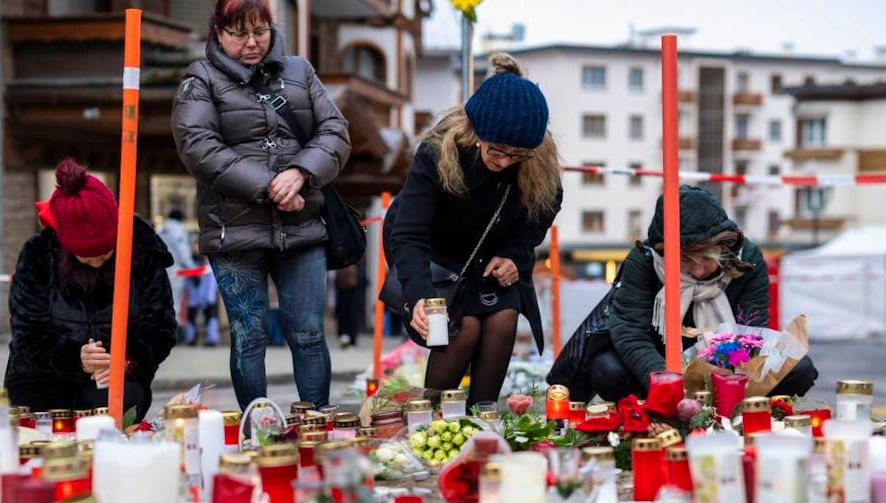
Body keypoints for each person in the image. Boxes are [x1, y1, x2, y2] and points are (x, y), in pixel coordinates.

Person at [171, 0, 350, 409]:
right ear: (218, 32)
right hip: (233, 231)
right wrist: (270, 184)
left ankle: (315, 425)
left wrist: (301, 172)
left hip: (302, 225)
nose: (251, 43)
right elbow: (198, 146)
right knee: (249, 336)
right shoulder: (200, 79)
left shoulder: (299, 71)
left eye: (260, 32)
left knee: (308, 332)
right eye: (239, 34)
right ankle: (257, 428)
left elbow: (335, 131)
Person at [383, 53, 563, 406]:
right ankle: (431, 421)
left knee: (503, 318)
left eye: (517, 155)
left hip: (491, 255)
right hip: (436, 256)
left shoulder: (536, 160)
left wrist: (515, 255)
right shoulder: (438, 153)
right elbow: (409, 233)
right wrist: (419, 294)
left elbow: (544, 210)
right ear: (477, 131)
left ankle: (484, 418)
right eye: (497, 150)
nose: (505, 161)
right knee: (461, 328)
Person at [588, 185, 818, 401]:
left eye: (708, 258)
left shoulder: (748, 260)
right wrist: (669, 382)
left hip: (730, 366)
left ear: (723, 249)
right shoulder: (644, 260)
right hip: (660, 367)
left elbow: (752, 336)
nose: (698, 271)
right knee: (605, 369)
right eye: (685, 260)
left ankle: (746, 409)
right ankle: (651, 412)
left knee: (801, 369)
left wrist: (726, 381)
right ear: (665, 253)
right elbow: (631, 332)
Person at [5, 158, 177, 420]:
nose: (98, 263)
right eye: (86, 257)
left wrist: (125, 362)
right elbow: (27, 335)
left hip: (115, 381)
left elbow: (161, 329)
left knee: (117, 409)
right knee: (43, 426)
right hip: (40, 379)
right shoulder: (38, 256)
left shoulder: (142, 254)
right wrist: (76, 357)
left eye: (105, 253)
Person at [158, 209, 195, 323]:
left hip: (161, 270)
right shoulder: (179, 230)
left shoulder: (161, 229)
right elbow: (183, 251)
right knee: (175, 300)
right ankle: (173, 327)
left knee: (162, 299)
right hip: (176, 271)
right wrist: (192, 269)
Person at [184, 251, 221, 347]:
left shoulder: (210, 266)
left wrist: (209, 297)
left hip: (208, 297)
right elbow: (188, 283)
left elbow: (212, 283)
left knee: (211, 317)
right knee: (191, 318)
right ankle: (191, 339)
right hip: (194, 297)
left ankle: (212, 339)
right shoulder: (192, 265)